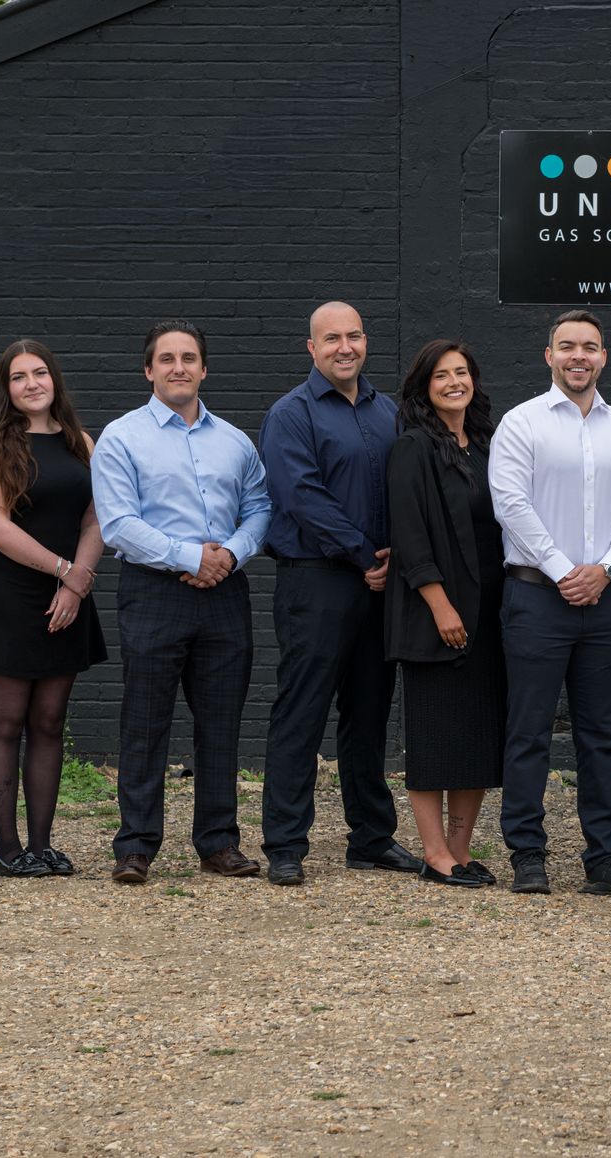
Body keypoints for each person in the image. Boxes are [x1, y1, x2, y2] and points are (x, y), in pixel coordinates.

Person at [92, 320, 271, 885]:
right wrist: (192, 558)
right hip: (153, 593)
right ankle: (136, 846)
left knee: (220, 724)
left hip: (225, 593)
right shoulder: (122, 437)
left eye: (189, 357)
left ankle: (218, 843)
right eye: (166, 359)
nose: (178, 367)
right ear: (148, 370)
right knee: (145, 721)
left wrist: (230, 556)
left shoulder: (234, 441)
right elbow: (118, 524)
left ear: (204, 368)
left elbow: (261, 507)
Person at [490, 311, 611, 897]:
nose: (578, 356)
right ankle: (527, 855)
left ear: (603, 357)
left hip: (605, 603)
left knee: (600, 734)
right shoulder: (521, 423)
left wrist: (606, 570)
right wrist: (565, 572)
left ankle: (604, 859)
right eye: (567, 347)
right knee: (529, 731)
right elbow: (510, 503)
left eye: (589, 347)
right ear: (549, 355)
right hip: (537, 599)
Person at [257, 302, 420, 888]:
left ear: (365, 342)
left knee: (369, 712)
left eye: (353, 336)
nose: (344, 347)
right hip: (317, 580)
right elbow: (300, 494)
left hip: (381, 584)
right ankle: (284, 842)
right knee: (302, 710)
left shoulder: (390, 412)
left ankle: (371, 838)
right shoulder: (290, 414)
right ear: (312, 348)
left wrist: (396, 558)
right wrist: (362, 554)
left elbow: (408, 488)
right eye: (332, 339)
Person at [0, 340, 108, 878]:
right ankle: (8, 851)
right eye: (19, 377)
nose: (32, 383)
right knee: (6, 721)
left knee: (49, 721)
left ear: (55, 380)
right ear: (7, 388)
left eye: (40, 373)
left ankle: (42, 845)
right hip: (6, 596)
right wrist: (64, 571)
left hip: (66, 593)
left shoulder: (81, 442)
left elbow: (96, 519)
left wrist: (76, 584)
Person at [386, 340, 507, 888]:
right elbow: (409, 533)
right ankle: (434, 855)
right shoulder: (413, 447)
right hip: (436, 612)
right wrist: (439, 604)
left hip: (488, 610)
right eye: (442, 375)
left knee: (476, 735)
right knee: (436, 736)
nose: (454, 382)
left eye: (462, 372)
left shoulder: (485, 445)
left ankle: (460, 850)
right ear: (424, 387)